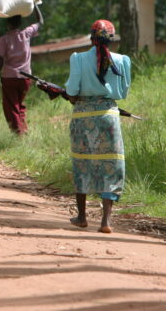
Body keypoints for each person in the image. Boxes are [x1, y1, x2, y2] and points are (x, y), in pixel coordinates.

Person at [64, 20, 131, 234]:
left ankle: (82, 217)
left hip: (83, 116)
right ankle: (106, 221)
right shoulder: (121, 60)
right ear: (111, 38)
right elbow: (122, 93)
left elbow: (72, 92)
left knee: (82, 162)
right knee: (111, 165)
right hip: (109, 117)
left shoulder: (78, 59)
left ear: (91, 37)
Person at [0, 5, 44, 135]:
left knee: (11, 107)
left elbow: (0, 62)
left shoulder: (3, 40)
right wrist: (36, 5)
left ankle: (18, 134)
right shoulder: (26, 34)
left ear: (7, 24)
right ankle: (24, 129)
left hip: (9, 78)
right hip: (26, 78)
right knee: (19, 104)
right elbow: (40, 22)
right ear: (20, 23)